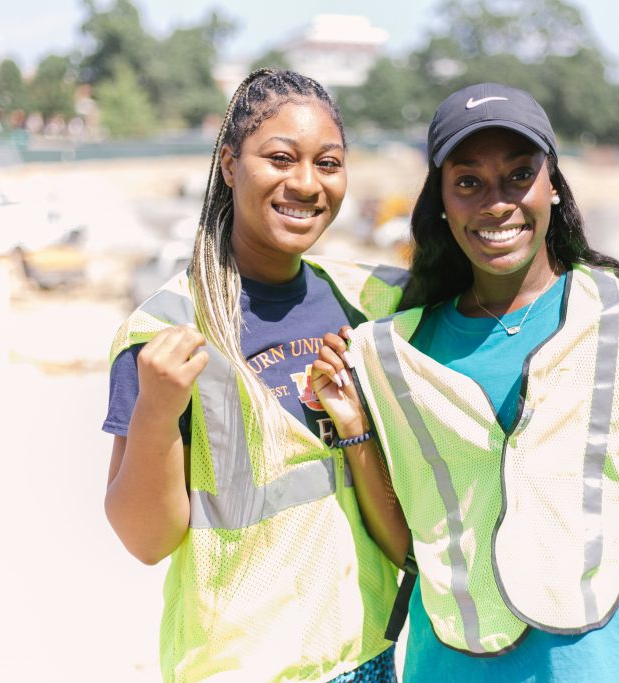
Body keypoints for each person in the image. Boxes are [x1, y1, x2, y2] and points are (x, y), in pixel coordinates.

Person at [310, 83, 619, 682]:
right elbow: (411, 543)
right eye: (468, 183)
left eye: (518, 175)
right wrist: (352, 428)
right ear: (441, 203)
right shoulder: (397, 351)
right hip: (455, 663)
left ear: (553, 185)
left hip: (610, 663)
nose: (496, 203)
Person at [101, 68, 408, 683]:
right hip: (238, 669)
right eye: (279, 158)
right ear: (229, 165)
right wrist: (157, 411)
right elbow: (145, 540)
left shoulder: (365, 302)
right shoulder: (166, 329)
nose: (306, 183)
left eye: (328, 163)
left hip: (365, 657)